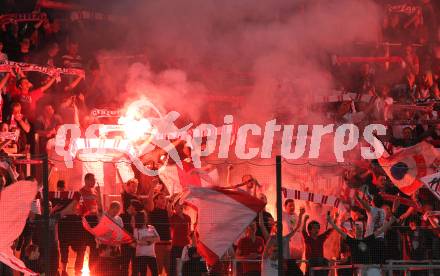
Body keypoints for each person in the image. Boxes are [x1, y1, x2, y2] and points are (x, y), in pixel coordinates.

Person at [327, 199, 400, 275]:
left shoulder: (367, 240)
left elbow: (380, 231)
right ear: (353, 231)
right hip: (360, 270)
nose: (359, 230)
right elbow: (340, 231)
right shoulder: (352, 241)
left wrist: (391, 221)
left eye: (360, 229)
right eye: (357, 229)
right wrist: (331, 222)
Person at [77, 173, 102, 275]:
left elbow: (100, 207)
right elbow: (77, 207)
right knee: (81, 248)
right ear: (86, 180)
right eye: (92, 180)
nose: (94, 182)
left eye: (95, 180)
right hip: (84, 220)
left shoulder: (95, 192)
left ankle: (93, 270)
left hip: (94, 220)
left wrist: (99, 194)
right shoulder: (80, 192)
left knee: (94, 247)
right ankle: (78, 270)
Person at [355, 193, 386, 264]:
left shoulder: (371, 210)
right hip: (380, 240)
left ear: (373, 202)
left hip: (371, 240)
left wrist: (358, 197)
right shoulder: (383, 212)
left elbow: (363, 204)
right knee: (378, 263)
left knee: (369, 262)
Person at [147, 192, 172, 276]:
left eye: (164, 198)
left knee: (170, 270)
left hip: (168, 243)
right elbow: (150, 199)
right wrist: (152, 186)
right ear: (155, 200)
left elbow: (170, 210)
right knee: (158, 270)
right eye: (161, 198)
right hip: (158, 244)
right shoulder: (153, 211)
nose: (164, 199)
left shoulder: (166, 211)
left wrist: (171, 200)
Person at [121, 199, 143, 276]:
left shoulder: (140, 218)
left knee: (136, 266)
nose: (129, 207)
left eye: (131, 206)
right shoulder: (123, 216)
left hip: (136, 245)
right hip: (125, 244)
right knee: (124, 265)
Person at [133, 211, 160, 276]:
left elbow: (158, 238)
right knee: (143, 273)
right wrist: (151, 240)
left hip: (152, 254)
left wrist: (146, 238)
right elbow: (138, 242)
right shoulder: (136, 229)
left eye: (146, 216)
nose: (146, 218)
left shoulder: (151, 227)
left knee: (155, 273)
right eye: (144, 217)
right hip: (141, 255)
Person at [169, 202, 191, 276]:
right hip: (176, 245)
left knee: (185, 266)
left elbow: (189, 231)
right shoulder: (173, 217)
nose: (180, 206)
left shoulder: (188, 217)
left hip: (185, 245)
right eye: (178, 205)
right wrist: (170, 202)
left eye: (181, 205)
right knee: (174, 267)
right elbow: (169, 211)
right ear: (174, 208)